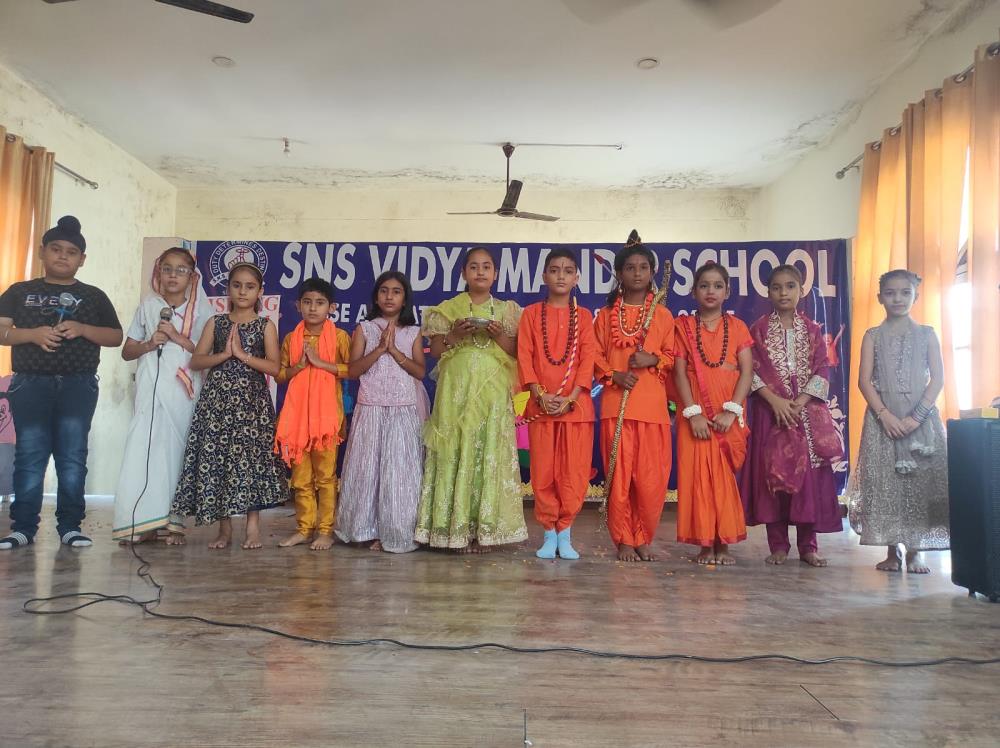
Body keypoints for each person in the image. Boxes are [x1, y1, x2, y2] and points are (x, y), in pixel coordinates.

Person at [0, 216, 123, 550]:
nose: (63, 256)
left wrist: (82, 329)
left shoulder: (93, 296)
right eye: (56, 249)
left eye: (71, 252)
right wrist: (32, 335)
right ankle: (23, 528)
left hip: (77, 386)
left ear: (82, 259)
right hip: (30, 384)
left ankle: (70, 526)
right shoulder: (20, 291)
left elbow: (115, 336)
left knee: (72, 457)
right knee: (30, 456)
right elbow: (1, 329)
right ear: (42, 252)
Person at [415, 247, 527, 552]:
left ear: (496, 274)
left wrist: (498, 335)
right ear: (463, 273)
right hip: (456, 391)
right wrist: (454, 335)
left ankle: (484, 530)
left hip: (492, 392)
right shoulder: (447, 309)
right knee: (454, 449)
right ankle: (453, 529)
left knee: (487, 450)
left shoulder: (507, 310)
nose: (480, 272)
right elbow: (436, 351)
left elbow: (516, 352)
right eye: (474, 267)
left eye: (486, 267)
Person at [170, 262, 288, 550]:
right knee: (219, 460)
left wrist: (242, 355)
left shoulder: (265, 325)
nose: (242, 292)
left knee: (250, 462)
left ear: (259, 291)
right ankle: (224, 530)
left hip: (251, 404)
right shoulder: (217, 322)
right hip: (217, 402)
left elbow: (275, 368)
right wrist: (223, 355)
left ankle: (252, 529)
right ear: (228, 289)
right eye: (237, 285)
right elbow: (196, 361)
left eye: (249, 286)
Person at [848, 269, 949, 573]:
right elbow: (864, 381)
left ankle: (916, 551)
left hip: (922, 422)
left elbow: (938, 379)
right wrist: (885, 415)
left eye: (905, 292)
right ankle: (893, 551)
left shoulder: (928, 334)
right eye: (890, 293)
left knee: (919, 485)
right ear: (880, 297)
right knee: (887, 485)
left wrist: (917, 416)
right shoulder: (872, 336)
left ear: (916, 296)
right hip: (883, 421)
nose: (898, 298)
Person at [742, 265, 843, 567]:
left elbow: (822, 370)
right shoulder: (758, 330)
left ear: (801, 290)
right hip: (770, 413)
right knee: (773, 476)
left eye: (789, 286)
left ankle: (808, 546)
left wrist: (799, 403)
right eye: (776, 287)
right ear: (768, 292)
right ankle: (778, 545)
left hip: (805, 414)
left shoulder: (812, 330)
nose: (783, 292)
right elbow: (750, 372)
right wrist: (775, 402)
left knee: (807, 479)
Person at [113, 247, 213, 545]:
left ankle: (174, 521)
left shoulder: (202, 311)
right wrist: (149, 343)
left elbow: (208, 353)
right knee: (143, 449)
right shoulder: (149, 306)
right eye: (167, 268)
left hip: (182, 390)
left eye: (181, 270)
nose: (173, 275)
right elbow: (127, 351)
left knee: (175, 451)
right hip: (149, 388)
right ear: (159, 273)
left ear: (192, 277)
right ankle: (141, 521)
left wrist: (177, 337)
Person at [593, 231, 674, 562]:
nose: (637, 273)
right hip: (617, 408)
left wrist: (652, 359)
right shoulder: (605, 316)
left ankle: (643, 537)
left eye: (643, 267)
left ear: (652, 272)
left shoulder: (663, 316)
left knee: (651, 481)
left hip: (652, 410)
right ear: (619, 273)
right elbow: (593, 356)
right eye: (630, 267)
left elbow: (673, 357)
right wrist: (614, 374)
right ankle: (623, 539)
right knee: (620, 479)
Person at [335, 271, 427, 553]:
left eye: (396, 292)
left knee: (398, 473)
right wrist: (379, 349)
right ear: (376, 297)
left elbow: (420, 372)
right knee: (367, 469)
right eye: (384, 291)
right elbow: (353, 371)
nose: (389, 296)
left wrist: (395, 351)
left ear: (404, 299)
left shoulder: (412, 331)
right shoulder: (364, 328)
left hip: (403, 408)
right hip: (371, 406)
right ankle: (363, 529)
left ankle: (396, 531)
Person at [517, 249, 597, 559]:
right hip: (541, 408)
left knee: (573, 474)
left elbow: (587, 360)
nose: (561, 275)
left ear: (577, 278)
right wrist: (539, 395)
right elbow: (525, 356)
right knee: (543, 473)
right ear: (544, 276)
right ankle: (549, 533)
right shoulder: (531, 314)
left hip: (575, 409)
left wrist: (570, 398)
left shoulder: (584, 317)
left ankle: (566, 532)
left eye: (567, 270)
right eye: (554, 270)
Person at [674, 261, 753, 566]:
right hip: (694, 414)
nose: (711, 291)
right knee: (697, 477)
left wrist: (732, 411)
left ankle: (723, 544)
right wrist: (692, 413)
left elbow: (747, 372)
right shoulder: (682, 327)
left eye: (718, 286)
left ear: (727, 291)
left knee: (723, 478)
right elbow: (679, 373)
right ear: (694, 291)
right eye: (704, 285)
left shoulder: (738, 327)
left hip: (726, 414)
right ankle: (705, 544)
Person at [274, 277, 351, 550]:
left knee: (326, 477)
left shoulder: (339, 337)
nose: (313, 308)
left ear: (332, 307)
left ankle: (326, 530)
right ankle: (304, 528)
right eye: (307, 302)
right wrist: (297, 367)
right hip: (297, 420)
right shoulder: (291, 339)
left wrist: (320, 363)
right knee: (301, 478)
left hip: (326, 420)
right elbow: (280, 375)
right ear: (298, 305)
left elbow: (352, 370)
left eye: (320, 303)